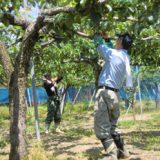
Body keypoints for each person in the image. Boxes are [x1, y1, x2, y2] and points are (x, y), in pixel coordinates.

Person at [94, 33, 133, 160]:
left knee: (102, 127)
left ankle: (111, 155)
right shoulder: (125, 57)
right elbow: (111, 51)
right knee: (113, 127)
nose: (115, 40)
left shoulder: (113, 54)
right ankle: (123, 152)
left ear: (121, 42)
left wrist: (97, 35)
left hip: (105, 93)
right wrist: (107, 39)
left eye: (117, 39)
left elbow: (99, 47)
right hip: (115, 95)